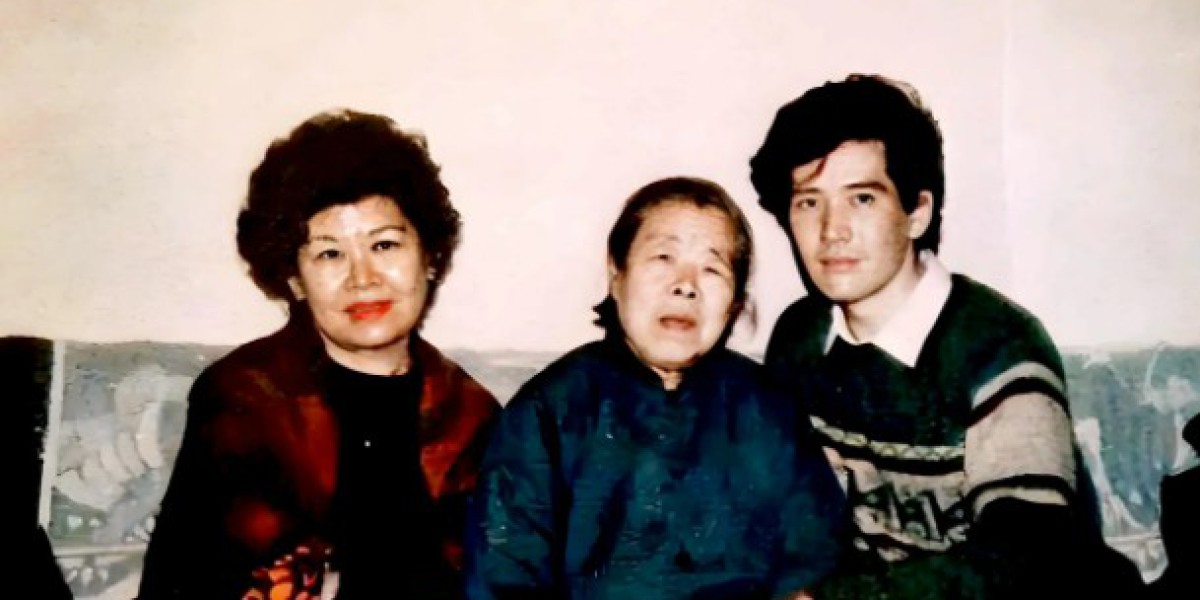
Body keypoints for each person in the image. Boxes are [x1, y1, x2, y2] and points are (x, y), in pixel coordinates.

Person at [749, 74, 1145, 598]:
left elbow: (1028, 556)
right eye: (808, 202)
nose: (831, 230)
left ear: (917, 212)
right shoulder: (800, 338)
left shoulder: (998, 347)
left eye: (861, 199)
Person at [136, 110, 499, 599]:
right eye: (330, 253)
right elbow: (180, 584)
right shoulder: (245, 398)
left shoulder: (472, 415)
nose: (363, 278)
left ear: (430, 257)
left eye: (384, 245)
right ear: (294, 278)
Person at [465, 177, 845, 600]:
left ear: (735, 302)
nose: (685, 285)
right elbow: (504, 575)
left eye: (712, 268)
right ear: (617, 274)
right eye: (664, 257)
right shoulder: (547, 412)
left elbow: (811, 565)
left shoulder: (769, 411)